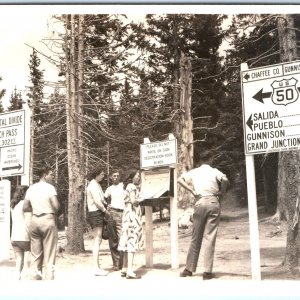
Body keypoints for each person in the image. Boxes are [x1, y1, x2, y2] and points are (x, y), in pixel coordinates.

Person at [178, 157, 229, 280]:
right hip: (213, 201)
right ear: (209, 163)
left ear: (199, 163)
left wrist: (192, 191)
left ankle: (189, 269)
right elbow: (225, 179)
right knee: (210, 237)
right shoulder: (214, 171)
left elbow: (179, 180)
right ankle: (207, 272)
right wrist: (222, 191)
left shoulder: (195, 171)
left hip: (200, 201)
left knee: (196, 237)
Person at [23, 167, 60, 280]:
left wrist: (35, 209)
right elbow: (56, 206)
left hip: (34, 220)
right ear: (45, 175)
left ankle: (35, 278)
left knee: (35, 254)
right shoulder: (50, 188)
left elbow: (25, 207)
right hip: (47, 219)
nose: (53, 177)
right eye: (51, 175)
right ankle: (49, 278)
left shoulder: (31, 188)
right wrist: (53, 209)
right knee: (49, 252)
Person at [118, 169, 144, 279]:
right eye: (137, 176)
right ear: (132, 177)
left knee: (126, 241)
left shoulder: (128, 186)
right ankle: (130, 270)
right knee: (132, 240)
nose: (139, 178)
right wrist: (143, 198)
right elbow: (133, 201)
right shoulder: (132, 187)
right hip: (132, 215)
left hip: (127, 214)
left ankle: (124, 268)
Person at [86, 167, 110, 276]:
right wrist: (105, 210)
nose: (103, 176)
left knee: (98, 239)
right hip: (95, 213)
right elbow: (97, 202)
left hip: (98, 213)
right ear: (97, 175)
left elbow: (101, 199)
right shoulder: (92, 185)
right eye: (102, 174)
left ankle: (97, 267)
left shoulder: (97, 184)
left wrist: (106, 204)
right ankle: (96, 268)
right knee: (97, 239)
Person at [104, 170, 126, 271]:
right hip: (113, 213)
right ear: (111, 178)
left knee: (123, 238)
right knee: (113, 240)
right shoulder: (110, 189)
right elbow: (103, 199)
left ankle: (124, 264)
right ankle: (117, 264)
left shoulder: (123, 186)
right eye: (114, 176)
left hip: (124, 213)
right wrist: (107, 206)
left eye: (117, 175)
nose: (116, 177)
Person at [10, 185, 30, 280]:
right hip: (24, 235)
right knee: (27, 255)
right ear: (24, 193)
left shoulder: (13, 205)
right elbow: (28, 221)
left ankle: (17, 276)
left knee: (18, 258)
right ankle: (25, 275)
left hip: (14, 235)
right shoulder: (25, 204)